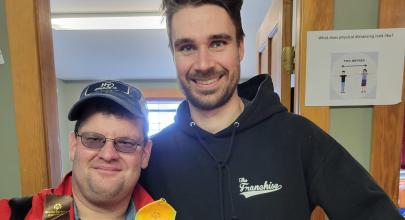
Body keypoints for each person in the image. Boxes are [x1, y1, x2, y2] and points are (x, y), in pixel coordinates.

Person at [140, 0, 402, 219]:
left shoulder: (297, 138)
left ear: (240, 46)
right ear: (173, 53)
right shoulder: (152, 158)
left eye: (218, 43)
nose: (204, 63)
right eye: (187, 47)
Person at [0, 80, 175, 220]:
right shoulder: (14, 215)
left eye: (126, 143)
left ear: (145, 154)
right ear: (73, 146)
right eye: (93, 139)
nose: (108, 155)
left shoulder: (166, 217)